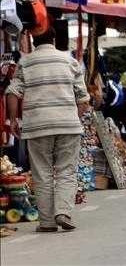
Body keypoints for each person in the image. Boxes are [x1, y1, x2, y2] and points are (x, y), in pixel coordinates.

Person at [5, 26, 89, 232]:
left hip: (37, 126)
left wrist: (13, 120)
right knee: (66, 171)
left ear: (33, 40)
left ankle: (47, 222)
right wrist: (73, 118)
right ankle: (63, 212)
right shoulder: (70, 61)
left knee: (41, 173)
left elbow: (12, 92)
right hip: (68, 125)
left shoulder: (26, 61)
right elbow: (83, 98)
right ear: (54, 39)